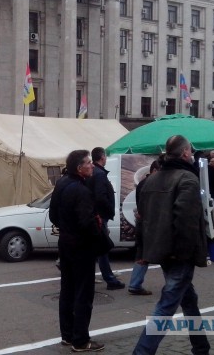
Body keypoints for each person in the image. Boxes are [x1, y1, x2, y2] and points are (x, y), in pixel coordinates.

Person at [133, 135, 210, 355]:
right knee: (166, 305)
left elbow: (142, 218)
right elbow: (185, 222)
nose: (193, 155)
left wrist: (142, 250)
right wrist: (185, 254)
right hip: (179, 253)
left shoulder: (151, 180)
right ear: (185, 152)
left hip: (162, 250)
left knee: (188, 299)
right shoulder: (187, 179)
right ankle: (141, 352)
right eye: (191, 151)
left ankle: (201, 346)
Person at [49, 150, 105, 352]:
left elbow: (53, 215)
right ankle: (80, 340)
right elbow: (87, 222)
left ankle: (68, 335)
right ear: (79, 168)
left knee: (68, 290)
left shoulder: (62, 183)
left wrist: (67, 226)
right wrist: (97, 235)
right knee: (83, 293)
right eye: (89, 163)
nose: (92, 166)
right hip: (81, 246)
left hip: (65, 242)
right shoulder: (81, 190)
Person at [87, 147, 125, 290]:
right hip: (100, 216)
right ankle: (109, 279)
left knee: (96, 247)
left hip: (94, 215)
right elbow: (100, 196)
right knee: (102, 248)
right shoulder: (99, 174)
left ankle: (101, 278)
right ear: (102, 157)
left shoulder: (93, 172)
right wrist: (109, 209)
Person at [128, 159, 162, 296]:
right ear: (154, 171)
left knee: (142, 254)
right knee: (145, 255)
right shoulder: (150, 185)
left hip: (143, 223)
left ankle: (135, 284)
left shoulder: (143, 183)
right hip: (147, 224)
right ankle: (135, 284)